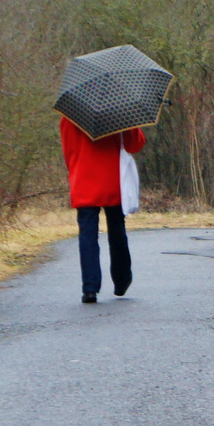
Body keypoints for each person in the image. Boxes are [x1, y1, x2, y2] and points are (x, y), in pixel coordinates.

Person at [59, 116, 145, 303]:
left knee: (87, 235)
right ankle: (121, 280)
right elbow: (135, 144)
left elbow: (68, 151)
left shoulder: (70, 116)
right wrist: (132, 124)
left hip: (82, 179)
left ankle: (90, 289)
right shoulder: (118, 112)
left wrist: (75, 170)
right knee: (117, 230)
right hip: (112, 178)